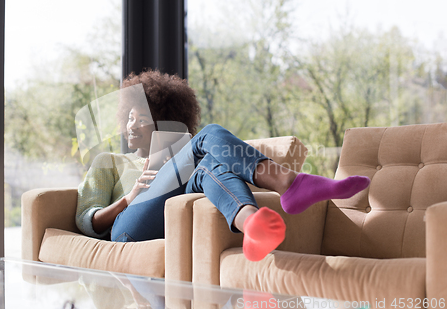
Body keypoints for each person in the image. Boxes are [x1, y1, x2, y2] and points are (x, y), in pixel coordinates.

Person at [76, 70, 370, 262]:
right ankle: (289, 183)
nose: (132, 125)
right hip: (126, 228)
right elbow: (85, 219)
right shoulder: (110, 161)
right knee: (209, 135)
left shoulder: (173, 160)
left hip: (169, 218)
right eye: (128, 117)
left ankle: (252, 224)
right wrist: (129, 197)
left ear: (161, 121)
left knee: (209, 167)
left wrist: (170, 165)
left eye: (142, 118)